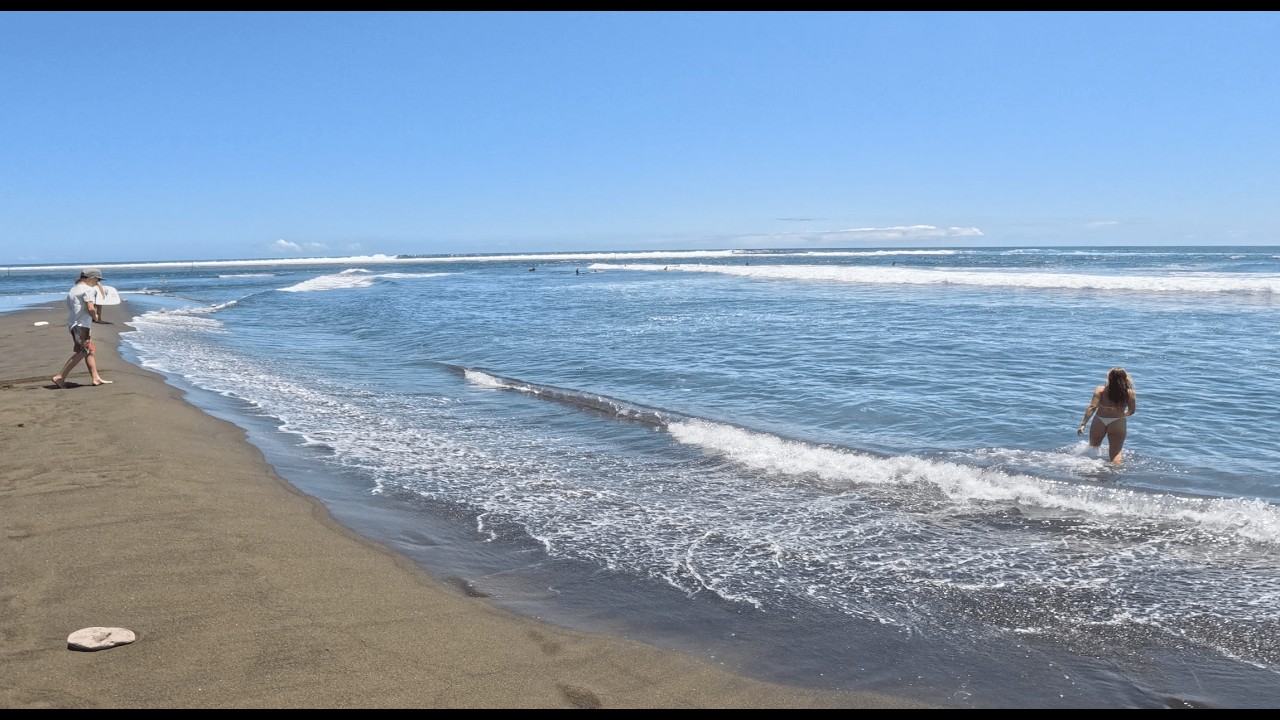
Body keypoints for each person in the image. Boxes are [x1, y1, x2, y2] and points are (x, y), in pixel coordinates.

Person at [52, 268, 112, 388]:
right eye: (98, 280)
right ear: (91, 278)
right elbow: (90, 308)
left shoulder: (73, 289)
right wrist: (95, 317)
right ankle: (60, 376)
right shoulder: (88, 290)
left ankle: (95, 378)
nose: (98, 283)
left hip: (74, 324)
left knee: (90, 350)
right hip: (81, 325)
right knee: (83, 351)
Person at [1078, 367, 1136, 464]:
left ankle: (1091, 471)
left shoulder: (1100, 390)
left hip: (1099, 421)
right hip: (1118, 422)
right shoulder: (1130, 393)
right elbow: (1132, 411)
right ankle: (1114, 474)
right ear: (1125, 378)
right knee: (1115, 453)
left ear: (1109, 377)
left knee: (1093, 448)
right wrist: (1121, 414)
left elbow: (1092, 407)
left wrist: (1083, 424)